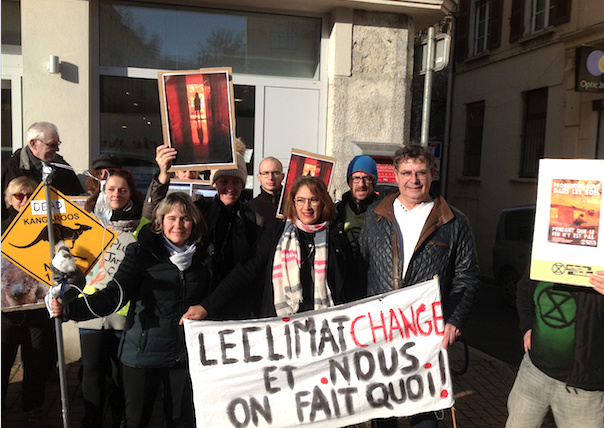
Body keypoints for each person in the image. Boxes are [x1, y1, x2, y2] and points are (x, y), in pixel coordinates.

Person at [50, 192, 211, 428]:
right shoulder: (140, 253)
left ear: (194, 223)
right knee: (136, 420)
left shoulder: (204, 256)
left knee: (180, 419)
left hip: (184, 355)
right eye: (172, 218)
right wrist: (70, 309)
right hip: (142, 353)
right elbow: (114, 295)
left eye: (185, 218)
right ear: (160, 221)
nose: (178, 224)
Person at [359, 143, 480, 428]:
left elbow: (467, 276)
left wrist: (453, 320)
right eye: (407, 172)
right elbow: (361, 267)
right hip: (382, 333)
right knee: (383, 414)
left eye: (421, 172)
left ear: (433, 173)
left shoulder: (454, 222)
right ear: (396, 175)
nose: (414, 180)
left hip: (428, 336)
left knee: (424, 418)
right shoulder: (375, 215)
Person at [198, 175, 354, 318]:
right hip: (282, 328)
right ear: (293, 203)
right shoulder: (276, 233)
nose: (307, 207)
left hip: (325, 328)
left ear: (323, 203)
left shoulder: (336, 237)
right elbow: (244, 271)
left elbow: (354, 283)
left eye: (313, 200)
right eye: (300, 200)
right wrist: (206, 307)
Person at [144, 145, 263, 319]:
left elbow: (255, 267)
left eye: (236, 182)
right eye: (224, 181)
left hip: (236, 302)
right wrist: (163, 175)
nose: (230, 188)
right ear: (214, 183)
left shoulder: (253, 219)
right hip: (197, 299)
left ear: (243, 184)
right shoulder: (198, 209)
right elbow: (152, 213)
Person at [77, 155, 144, 428]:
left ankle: (119, 419)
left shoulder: (140, 225)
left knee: (119, 372)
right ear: (102, 191)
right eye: (111, 189)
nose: (116, 194)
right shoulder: (86, 222)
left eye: (122, 190)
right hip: (91, 308)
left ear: (130, 194)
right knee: (91, 370)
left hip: (121, 309)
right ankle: (91, 420)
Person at [504, 271, 604, 428]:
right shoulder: (546, 251)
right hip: (532, 372)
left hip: (582, 388)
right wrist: (527, 326)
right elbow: (524, 288)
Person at [1, 177, 56, 428]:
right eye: (18, 196)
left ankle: (33, 407)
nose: (23, 200)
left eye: (29, 195)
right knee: (2, 359)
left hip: (38, 308)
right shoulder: (1, 229)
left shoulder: (52, 229)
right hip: (6, 310)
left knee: (37, 362)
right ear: (9, 200)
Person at [1, 122, 84, 220]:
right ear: (34, 144)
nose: (57, 149)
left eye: (58, 144)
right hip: (19, 230)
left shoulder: (62, 167)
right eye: (52, 145)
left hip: (58, 230)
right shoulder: (11, 168)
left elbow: (79, 201)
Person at [335, 155, 380, 301]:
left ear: (374, 182)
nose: (361, 184)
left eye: (366, 178)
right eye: (356, 178)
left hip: (371, 286)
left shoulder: (385, 213)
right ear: (349, 182)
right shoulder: (337, 212)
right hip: (343, 285)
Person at [245, 156, 284, 228]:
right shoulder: (250, 207)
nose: (270, 178)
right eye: (265, 173)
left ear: (282, 176)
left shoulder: (292, 203)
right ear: (259, 177)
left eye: (275, 173)